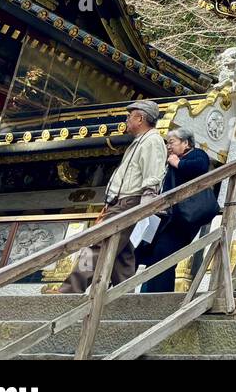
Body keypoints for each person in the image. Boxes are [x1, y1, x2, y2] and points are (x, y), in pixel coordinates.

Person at [59, 100, 166, 293]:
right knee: (122, 254)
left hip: (130, 201)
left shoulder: (152, 141)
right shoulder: (142, 141)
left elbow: (153, 175)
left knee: (98, 245)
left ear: (140, 118)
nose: (126, 120)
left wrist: (145, 206)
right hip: (123, 201)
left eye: (129, 116)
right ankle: (124, 298)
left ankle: (69, 290)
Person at [138, 127, 211, 293]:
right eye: (167, 143)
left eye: (172, 142)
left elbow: (201, 166)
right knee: (151, 254)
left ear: (186, 143)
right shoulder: (169, 162)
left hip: (182, 217)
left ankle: (157, 299)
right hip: (165, 216)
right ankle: (146, 295)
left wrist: (177, 163)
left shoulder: (196, 154)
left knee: (164, 254)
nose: (168, 146)